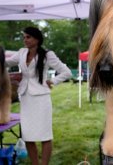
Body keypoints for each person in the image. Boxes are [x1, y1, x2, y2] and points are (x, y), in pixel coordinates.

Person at [6, 27, 72, 165]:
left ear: (37, 39)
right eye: (24, 37)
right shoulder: (21, 53)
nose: (25, 40)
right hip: (25, 98)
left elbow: (66, 72)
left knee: (45, 135)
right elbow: (6, 62)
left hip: (41, 99)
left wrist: (53, 81)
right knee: (28, 136)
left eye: (28, 37)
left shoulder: (48, 54)